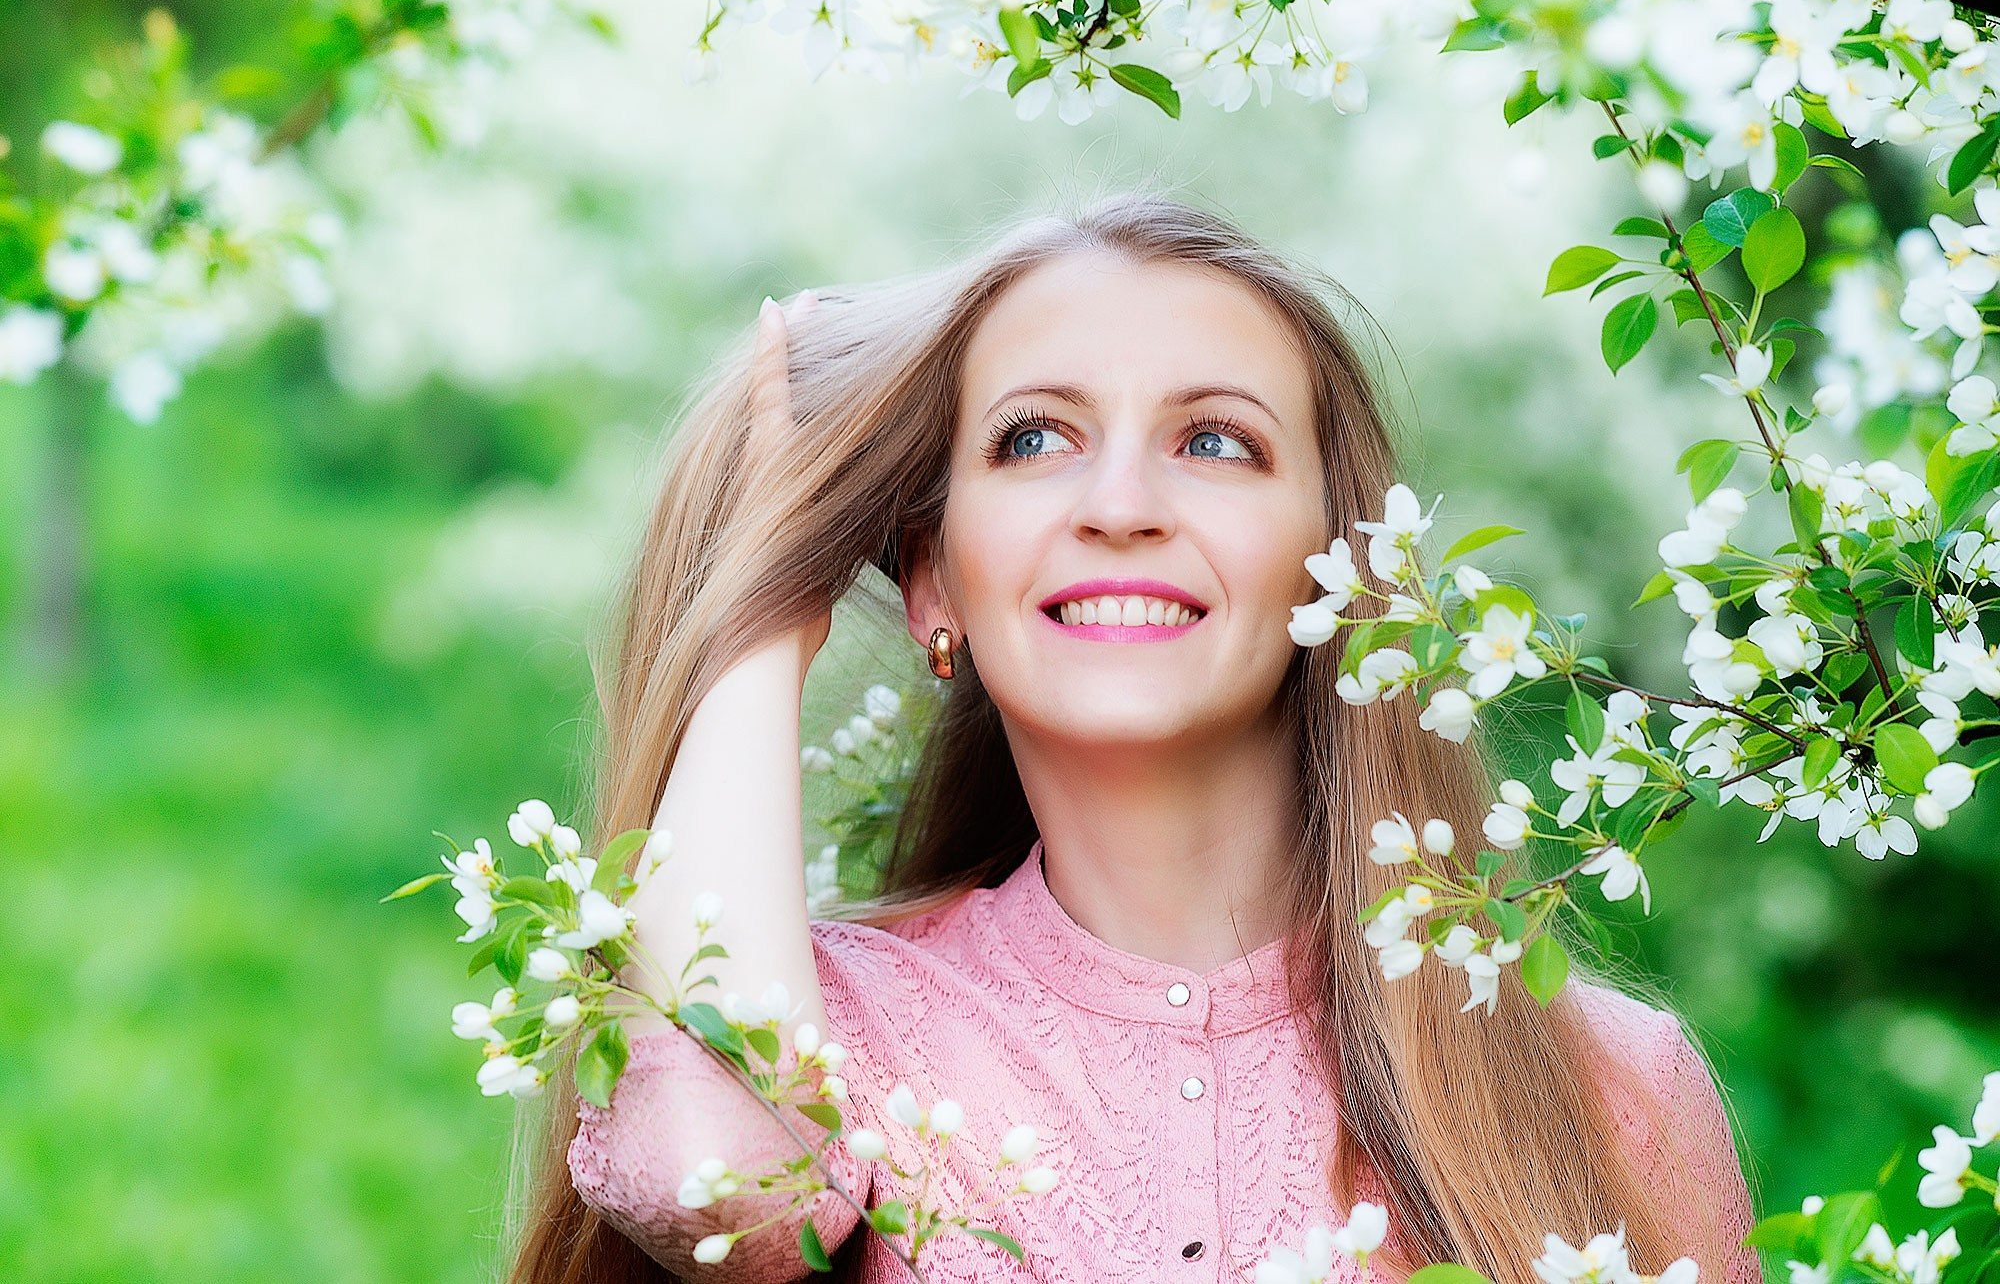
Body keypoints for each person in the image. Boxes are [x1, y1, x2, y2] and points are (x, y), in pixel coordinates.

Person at [505, 192, 1763, 1284]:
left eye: (1214, 441)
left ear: (1336, 571)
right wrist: (759, 611)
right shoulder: (838, 1043)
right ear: (933, 583)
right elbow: (711, 1185)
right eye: (1032, 438)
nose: (1117, 507)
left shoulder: (1600, 1082)